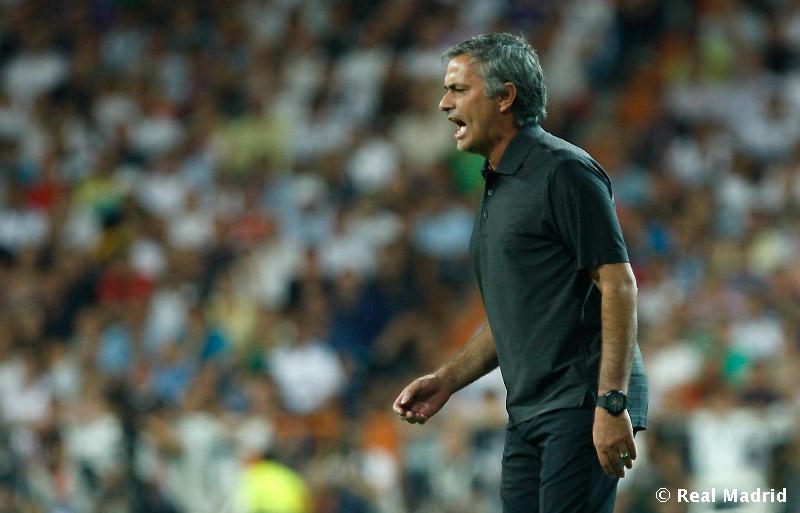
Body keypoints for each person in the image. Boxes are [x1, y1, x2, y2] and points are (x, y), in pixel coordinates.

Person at [392, 33, 648, 513]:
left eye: (458, 90)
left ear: (505, 97)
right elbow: (516, 314)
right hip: (529, 410)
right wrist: (447, 379)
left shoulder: (564, 171)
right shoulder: (500, 184)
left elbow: (618, 284)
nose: (444, 104)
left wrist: (612, 402)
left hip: (581, 401)